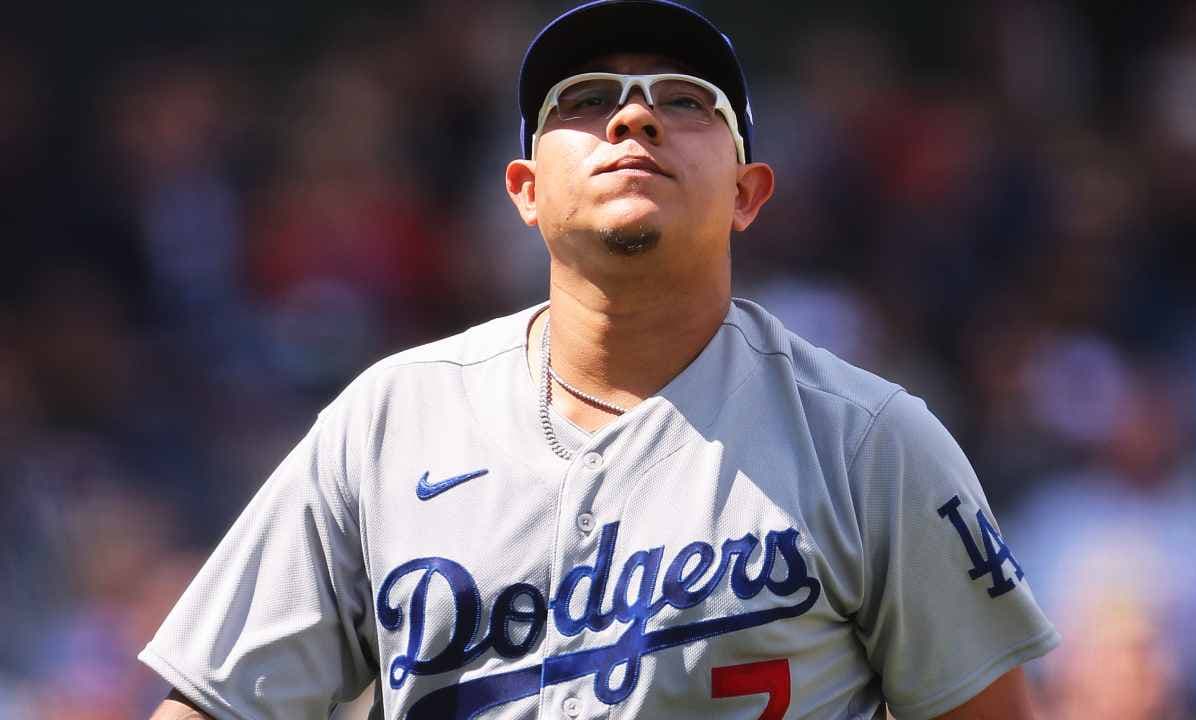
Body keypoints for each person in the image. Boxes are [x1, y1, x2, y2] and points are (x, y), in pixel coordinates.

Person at [143, 1, 1059, 718]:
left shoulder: (869, 443)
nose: (634, 118)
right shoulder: (388, 422)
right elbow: (215, 704)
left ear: (748, 194)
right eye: (585, 101)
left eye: (685, 101)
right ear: (525, 191)